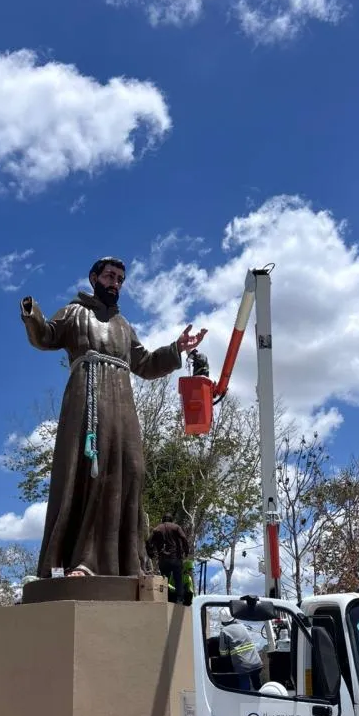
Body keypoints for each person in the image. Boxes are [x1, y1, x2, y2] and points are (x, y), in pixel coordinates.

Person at [22, 258, 206, 578]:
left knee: (131, 471)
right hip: (86, 400)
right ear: (94, 278)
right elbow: (46, 336)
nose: (115, 282)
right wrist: (32, 314)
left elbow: (145, 364)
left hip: (123, 407)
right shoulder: (75, 312)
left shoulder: (123, 325)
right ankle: (82, 561)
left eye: (120, 278)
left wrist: (176, 349)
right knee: (89, 472)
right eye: (110, 276)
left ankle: (127, 564)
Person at [148, 514, 190, 603]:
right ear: (171, 520)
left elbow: (149, 541)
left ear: (163, 520)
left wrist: (150, 553)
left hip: (163, 559)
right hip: (175, 558)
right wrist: (186, 550)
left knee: (164, 578)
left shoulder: (157, 529)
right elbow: (184, 538)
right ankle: (179, 598)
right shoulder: (176, 527)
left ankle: (163, 598)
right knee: (178, 578)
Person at [218, 608, 263, 690]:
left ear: (223, 621)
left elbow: (223, 653)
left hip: (243, 667)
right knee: (258, 688)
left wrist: (226, 655)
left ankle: (246, 699)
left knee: (245, 690)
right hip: (257, 663)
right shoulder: (242, 626)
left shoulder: (224, 631)